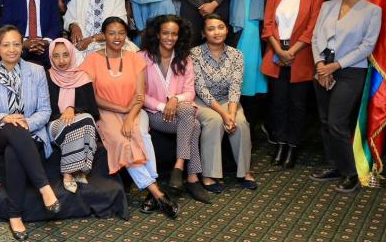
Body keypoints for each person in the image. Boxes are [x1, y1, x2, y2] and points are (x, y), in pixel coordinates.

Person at [79, 17, 178, 219]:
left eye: (121, 33)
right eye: (112, 33)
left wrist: (129, 115)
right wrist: (120, 108)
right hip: (106, 112)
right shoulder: (91, 60)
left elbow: (140, 95)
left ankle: (153, 194)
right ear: (103, 36)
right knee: (122, 142)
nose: (117, 37)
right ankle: (157, 193)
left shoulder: (135, 59)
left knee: (141, 135)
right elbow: (93, 97)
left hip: (134, 110)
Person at [0, 25, 60, 241]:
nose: (12, 49)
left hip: (31, 132)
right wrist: (4, 118)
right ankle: (44, 187)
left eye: (16, 44)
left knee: (15, 148)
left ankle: (14, 215)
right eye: (6, 45)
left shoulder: (36, 71)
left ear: (22, 46)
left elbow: (45, 110)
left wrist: (25, 124)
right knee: (12, 127)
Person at [310, 0, 381, 193]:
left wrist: (336, 65)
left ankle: (350, 173)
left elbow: (367, 46)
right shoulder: (328, 6)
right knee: (324, 121)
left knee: (337, 122)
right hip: (323, 66)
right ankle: (335, 165)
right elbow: (315, 37)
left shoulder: (372, 10)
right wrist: (321, 65)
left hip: (350, 70)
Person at [260, 0, 325, 168]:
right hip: (277, 51)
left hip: (301, 54)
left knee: (297, 104)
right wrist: (279, 49)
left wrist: (291, 52)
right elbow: (268, 25)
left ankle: (292, 146)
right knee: (278, 103)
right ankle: (280, 143)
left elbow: (312, 28)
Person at [139, 15, 210, 203]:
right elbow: (140, 94)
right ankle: (191, 177)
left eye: (174, 34)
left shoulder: (185, 60)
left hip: (180, 112)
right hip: (155, 115)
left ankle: (179, 167)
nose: (170, 38)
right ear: (157, 34)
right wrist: (163, 106)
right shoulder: (142, 58)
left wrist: (174, 100)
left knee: (188, 114)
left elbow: (189, 92)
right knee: (194, 124)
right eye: (166, 33)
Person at [190, 14, 256, 193]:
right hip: (203, 101)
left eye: (220, 27)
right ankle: (208, 175)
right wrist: (224, 115)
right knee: (215, 121)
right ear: (204, 33)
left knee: (241, 123)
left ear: (227, 30)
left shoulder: (236, 55)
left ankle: (244, 172)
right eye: (211, 29)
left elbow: (235, 87)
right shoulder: (194, 54)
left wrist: (232, 114)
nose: (216, 32)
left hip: (228, 100)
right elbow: (201, 88)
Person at [46, 38, 100, 193]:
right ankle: (72, 172)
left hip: (79, 122)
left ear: (72, 55)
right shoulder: (46, 77)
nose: (61, 60)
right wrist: (65, 114)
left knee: (87, 119)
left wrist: (72, 109)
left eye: (65, 55)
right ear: (50, 57)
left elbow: (92, 111)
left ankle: (72, 171)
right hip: (54, 124)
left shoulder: (83, 77)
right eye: (56, 56)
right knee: (80, 122)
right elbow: (45, 110)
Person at [229, 0, 269, 132]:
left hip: (259, 49)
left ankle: (251, 131)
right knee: (236, 87)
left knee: (255, 89)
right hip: (237, 47)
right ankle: (234, 129)